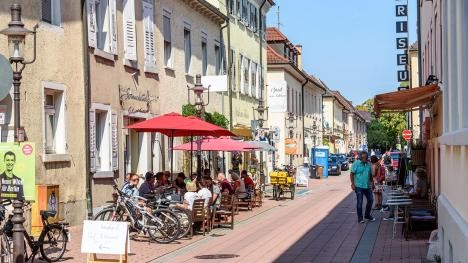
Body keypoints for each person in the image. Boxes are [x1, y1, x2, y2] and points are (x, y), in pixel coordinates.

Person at [350, 151, 375, 223]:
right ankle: (360, 218)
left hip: (367, 186)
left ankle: (367, 215)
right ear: (360, 157)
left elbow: (370, 175)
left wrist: (372, 183)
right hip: (358, 186)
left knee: (370, 199)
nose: (366, 159)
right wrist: (352, 184)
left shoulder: (368, 164)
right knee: (360, 202)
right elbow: (352, 174)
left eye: (366, 158)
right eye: (364, 158)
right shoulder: (356, 164)